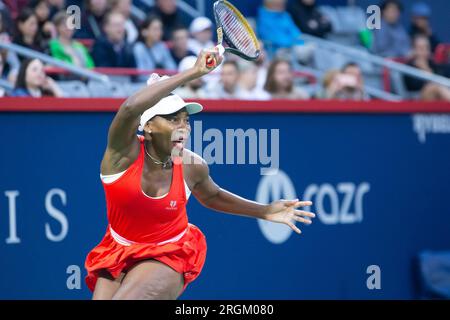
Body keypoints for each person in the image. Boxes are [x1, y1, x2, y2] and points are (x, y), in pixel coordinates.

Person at [84, 48, 315, 300]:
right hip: (118, 249)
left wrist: (265, 210)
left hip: (169, 251)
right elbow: (129, 110)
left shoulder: (192, 165)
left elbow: (212, 196)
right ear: (148, 127)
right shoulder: (120, 157)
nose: (183, 127)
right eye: (173, 120)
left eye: (186, 120)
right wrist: (194, 72)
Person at [403, 35, 450, 101]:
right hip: (416, 97)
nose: (424, 50)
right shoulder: (408, 66)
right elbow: (414, 86)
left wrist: (427, 68)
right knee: (435, 88)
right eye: (420, 48)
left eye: (426, 47)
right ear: (413, 50)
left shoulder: (432, 63)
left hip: (438, 94)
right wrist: (424, 69)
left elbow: (441, 78)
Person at [133, 15, 176, 81]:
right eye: (155, 29)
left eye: (160, 29)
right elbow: (142, 75)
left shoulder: (162, 46)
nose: (159, 32)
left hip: (163, 83)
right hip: (145, 86)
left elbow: (172, 69)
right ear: (144, 32)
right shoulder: (138, 48)